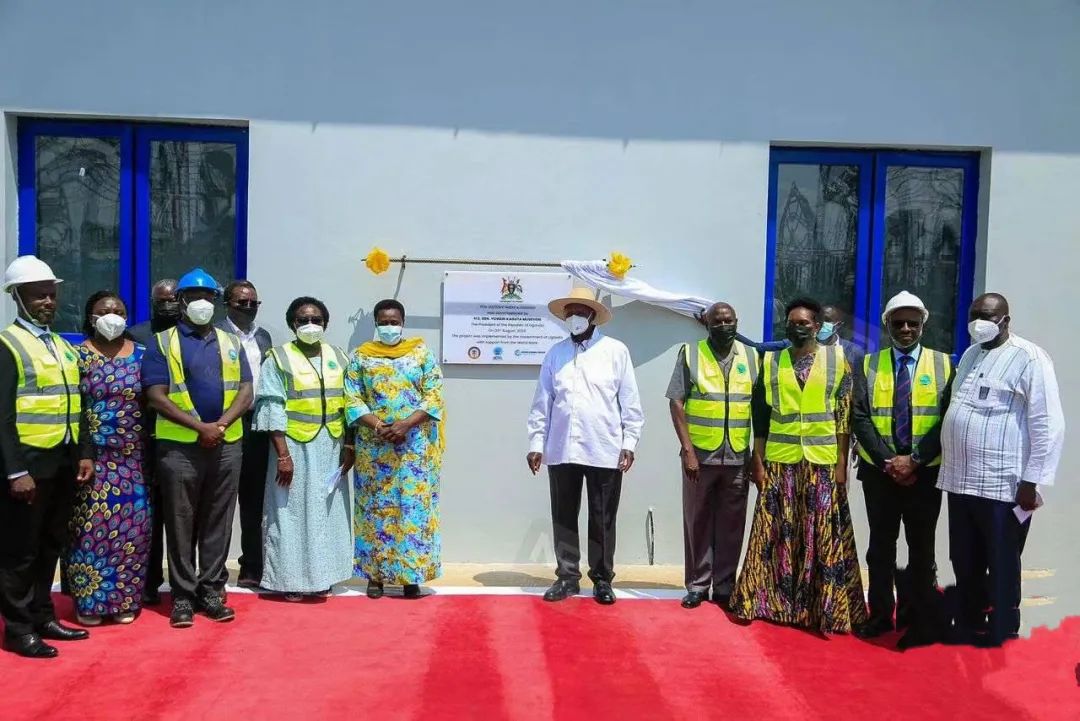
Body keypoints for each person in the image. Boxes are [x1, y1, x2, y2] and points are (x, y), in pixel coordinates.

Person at [730, 297, 867, 633]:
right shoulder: (771, 361)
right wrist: (757, 459)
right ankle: (765, 601)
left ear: (817, 326)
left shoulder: (838, 360)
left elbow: (843, 418)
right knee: (773, 532)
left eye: (804, 322)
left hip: (822, 462)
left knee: (821, 535)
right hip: (781, 461)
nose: (797, 327)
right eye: (792, 323)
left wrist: (841, 465)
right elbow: (761, 416)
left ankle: (822, 609)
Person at [937, 293, 1064, 647]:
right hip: (961, 480)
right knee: (965, 557)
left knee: (1003, 559)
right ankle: (970, 619)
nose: (980, 321)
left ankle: (1003, 626)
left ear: (1005, 320)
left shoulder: (1029, 358)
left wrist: (1032, 481)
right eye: (975, 314)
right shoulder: (970, 355)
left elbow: (1047, 423)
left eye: (988, 316)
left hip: (1004, 485)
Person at [142, 267, 253, 628]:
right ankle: (183, 596)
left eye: (208, 297)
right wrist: (200, 427)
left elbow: (246, 390)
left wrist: (219, 426)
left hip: (226, 444)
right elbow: (156, 396)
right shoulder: (162, 342)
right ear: (181, 301)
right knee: (180, 522)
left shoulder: (231, 342)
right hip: (179, 448)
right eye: (194, 297)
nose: (201, 303)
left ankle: (211, 591)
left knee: (218, 521)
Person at [0, 256, 94, 658]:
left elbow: (77, 404)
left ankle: (43, 615)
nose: (47, 302)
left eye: (51, 294)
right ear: (17, 297)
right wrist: (15, 471)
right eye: (39, 295)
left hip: (62, 461)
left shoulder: (61, 346)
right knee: (20, 551)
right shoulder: (7, 345)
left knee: (50, 544)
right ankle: (18, 628)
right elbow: (2, 417)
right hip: (28, 466)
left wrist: (84, 452)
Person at [527, 287, 644, 605]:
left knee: (602, 517)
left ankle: (602, 579)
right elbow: (542, 402)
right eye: (569, 313)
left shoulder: (615, 351)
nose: (574, 318)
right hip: (561, 447)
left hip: (604, 446)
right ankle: (567, 577)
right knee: (563, 514)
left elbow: (630, 403)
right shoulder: (555, 354)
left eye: (580, 312)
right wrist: (536, 443)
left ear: (592, 315)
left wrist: (629, 442)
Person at [851, 291, 952, 648]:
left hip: (925, 474)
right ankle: (880, 615)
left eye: (912, 323)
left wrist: (915, 460)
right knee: (880, 547)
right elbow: (860, 417)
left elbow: (947, 420)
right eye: (898, 323)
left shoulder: (944, 365)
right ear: (887, 325)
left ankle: (916, 616)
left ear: (923, 324)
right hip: (880, 474)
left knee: (921, 550)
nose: (906, 329)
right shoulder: (867, 364)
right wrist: (887, 461)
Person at [255, 297, 354, 600]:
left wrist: (349, 444)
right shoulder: (278, 358)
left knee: (327, 512)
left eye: (316, 320)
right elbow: (272, 407)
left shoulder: (338, 356)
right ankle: (291, 581)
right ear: (292, 324)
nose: (310, 325)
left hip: (332, 443)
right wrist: (282, 455)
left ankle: (324, 576)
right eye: (303, 320)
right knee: (292, 513)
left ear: (325, 323)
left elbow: (350, 402)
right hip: (294, 446)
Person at [345, 299, 444, 599]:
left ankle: (410, 578)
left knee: (412, 511)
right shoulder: (361, 357)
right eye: (384, 322)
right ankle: (374, 577)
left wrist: (405, 425)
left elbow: (434, 395)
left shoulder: (421, 353)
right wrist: (379, 426)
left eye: (394, 322)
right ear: (376, 323)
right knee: (374, 510)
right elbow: (352, 399)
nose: (389, 327)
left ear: (403, 322)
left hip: (413, 448)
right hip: (374, 450)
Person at [65, 291, 152, 626]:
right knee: (88, 529)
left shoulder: (143, 355)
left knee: (132, 530)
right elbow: (73, 407)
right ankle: (90, 602)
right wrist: (82, 452)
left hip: (134, 458)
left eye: (118, 310)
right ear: (90, 316)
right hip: (92, 458)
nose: (111, 316)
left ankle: (123, 600)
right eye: (103, 311)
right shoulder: (76, 356)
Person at [667, 302, 756, 609]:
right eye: (717, 321)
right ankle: (697, 584)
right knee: (697, 521)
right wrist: (688, 451)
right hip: (700, 458)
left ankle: (725, 586)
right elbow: (676, 402)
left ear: (737, 322)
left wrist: (756, 457)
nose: (723, 326)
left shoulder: (751, 357)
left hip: (737, 457)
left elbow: (759, 408)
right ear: (706, 323)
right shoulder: (690, 353)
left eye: (728, 320)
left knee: (732, 524)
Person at [217, 280, 273, 588]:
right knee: (221, 500)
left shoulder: (262, 336)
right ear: (227, 303)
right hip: (224, 422)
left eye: (253, 303)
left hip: (256, 425)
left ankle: (251, 566)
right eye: (242, 302)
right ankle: (215, 571)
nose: (248, 308)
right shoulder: (215, 334)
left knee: (254, 501)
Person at [127, 277, 179, 606]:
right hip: (145, 435)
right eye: (162, 300)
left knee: (180, 514)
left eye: (174, 299)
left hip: (183, 435)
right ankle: (148, 581)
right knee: (150, 513)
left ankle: (182, 581)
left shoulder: (190, 336)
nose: (169, 305)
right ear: (152, 302)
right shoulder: (137, 335)